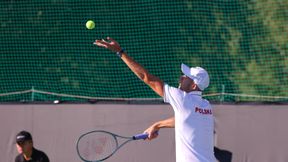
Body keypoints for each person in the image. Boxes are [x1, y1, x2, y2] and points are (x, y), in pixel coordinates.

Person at [94, 37, 216, 162]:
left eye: (186, 77)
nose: (181, 78)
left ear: (193, 85)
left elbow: (146, 77)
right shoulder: (206, 106)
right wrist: (157, 125)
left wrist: (120, 52)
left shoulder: (182, 99)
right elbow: (184, 119)